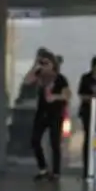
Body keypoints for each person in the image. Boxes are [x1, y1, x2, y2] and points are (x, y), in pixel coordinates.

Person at [23, 49, 71, 183]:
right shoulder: (39, 75)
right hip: (42, 112)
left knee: (54, 142)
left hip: (55, 113)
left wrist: (55, 97)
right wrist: (35, 66)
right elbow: (27, 81)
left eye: (46, 63)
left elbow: (67, 95)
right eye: (42, 63)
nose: (44, 66)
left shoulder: (59, 78)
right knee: (35, 140)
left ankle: (56, 172)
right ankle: (43, 168)